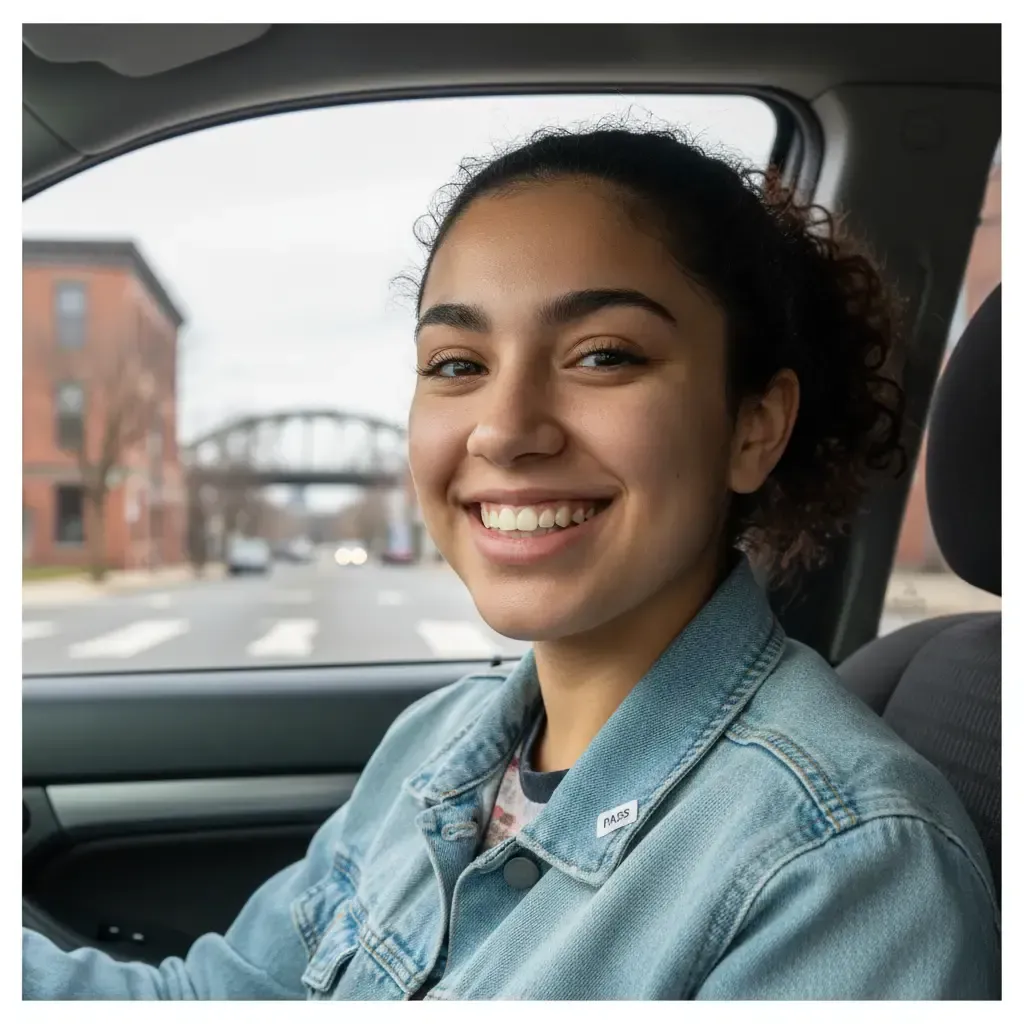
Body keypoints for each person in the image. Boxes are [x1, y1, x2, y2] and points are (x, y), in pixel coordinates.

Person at [23, 124, 1000, 1000]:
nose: (504, 428)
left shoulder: (846, 869)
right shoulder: (440, 742)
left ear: (754, 425)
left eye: (603, 354)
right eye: (457, 364)